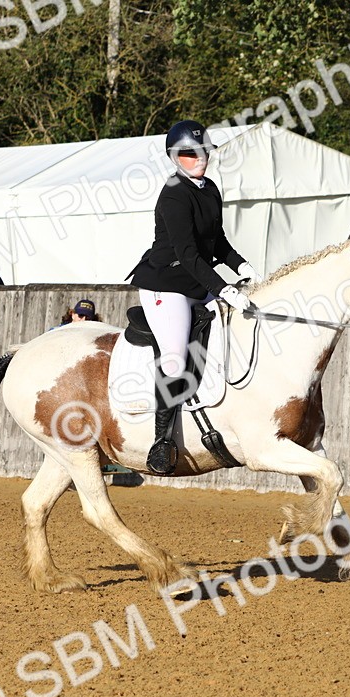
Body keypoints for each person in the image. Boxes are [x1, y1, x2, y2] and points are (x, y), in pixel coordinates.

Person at [128, 120, 256, 475]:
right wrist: (222, 287)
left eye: (202, 151)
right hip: (165, 285)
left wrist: (242, 265)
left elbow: (216, 242)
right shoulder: (173, 194)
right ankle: (162, 442)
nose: (198, 158)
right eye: (188, 153)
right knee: (173, 357)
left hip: (196, 281)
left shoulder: (210, 188)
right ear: (174, 157)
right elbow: (187, 254)